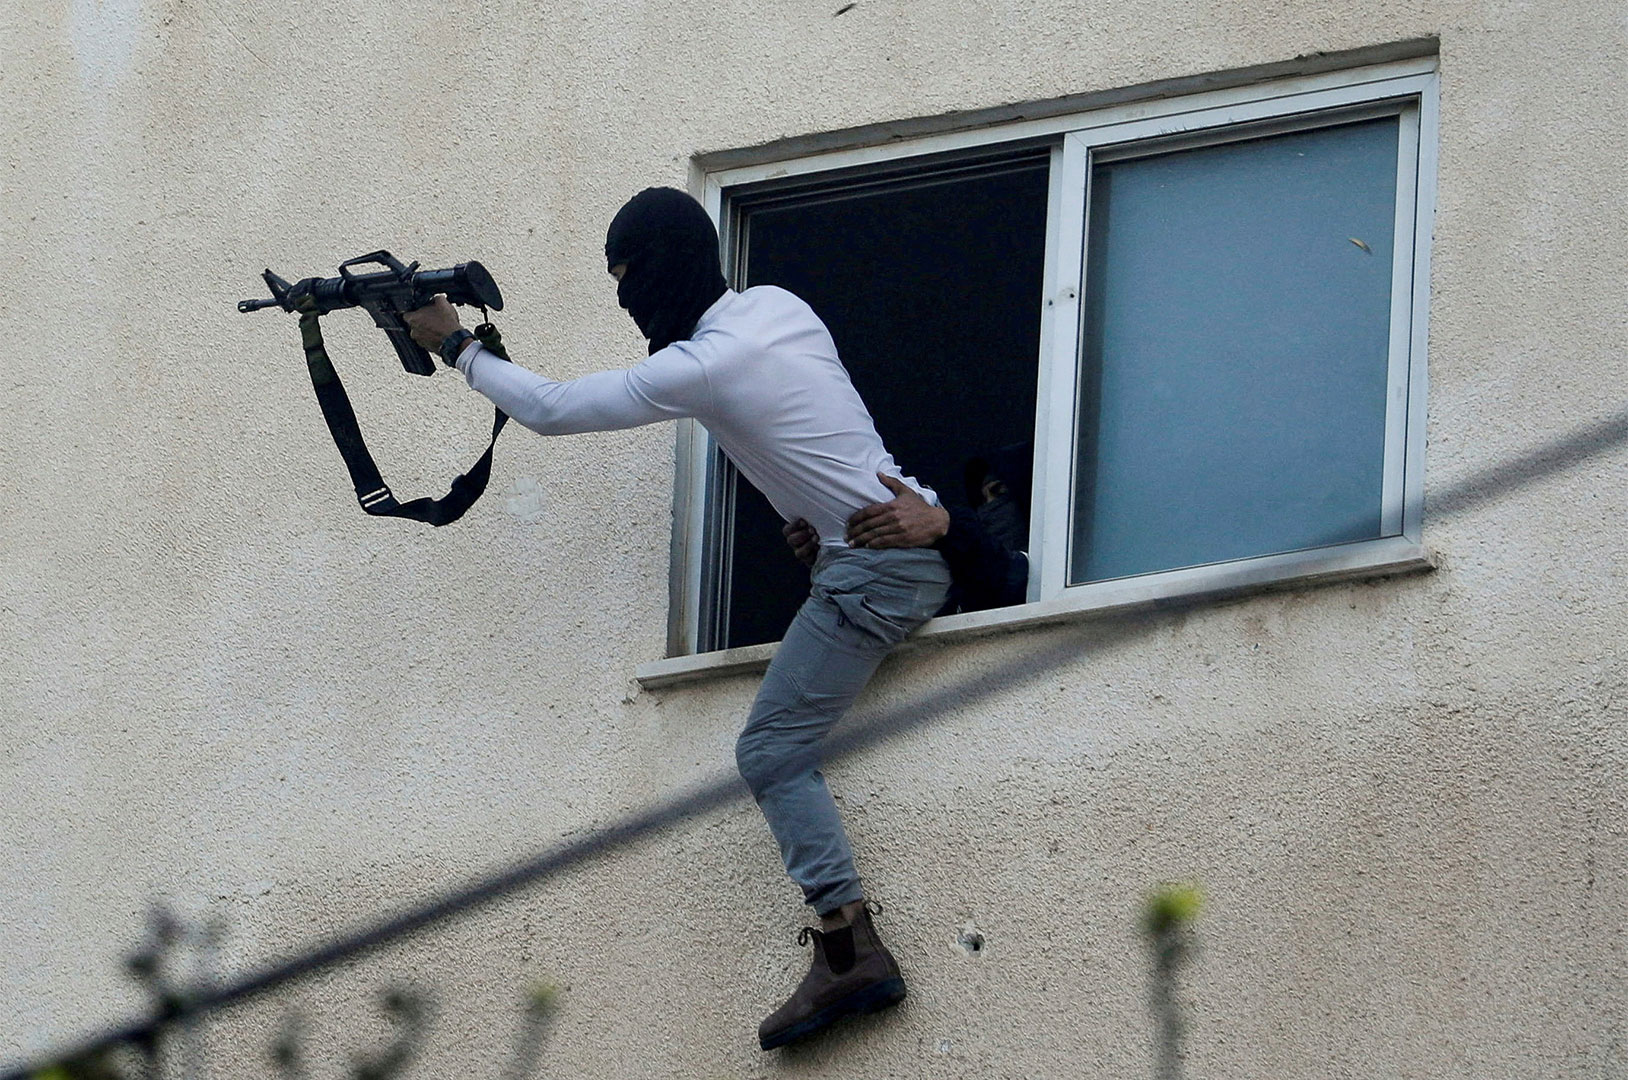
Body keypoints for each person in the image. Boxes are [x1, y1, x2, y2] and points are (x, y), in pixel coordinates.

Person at [403, 187, 951, 1050]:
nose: (625, 297)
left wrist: (455, 345)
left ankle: (850, 949)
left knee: (770, 750)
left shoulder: (704, 363)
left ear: (665, 266)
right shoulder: (777, 308)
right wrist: (820, 516)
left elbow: (550, 409)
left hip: (875, 571)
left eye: (628, 275)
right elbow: (818, 433)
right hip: (880, 552)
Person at [787, 442, 1032, 613]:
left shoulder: (1051, 575)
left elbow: (1015, 581)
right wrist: (838, 552)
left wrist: (944, 523)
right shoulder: (956, 583)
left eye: (999, 492)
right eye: (981, 501)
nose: (988, 510)